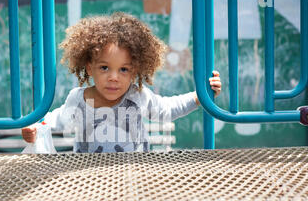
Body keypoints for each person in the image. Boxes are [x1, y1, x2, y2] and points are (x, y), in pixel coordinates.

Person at [22, 12, 222, 153]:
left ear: (134, 71)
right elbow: (56, 119)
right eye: (104, 68)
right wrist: (36, 128)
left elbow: (166, 109)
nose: (114, 77)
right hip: (88, 179)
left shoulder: (137, 96)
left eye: (123, 69)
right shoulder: (79, 99)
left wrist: (198, 97)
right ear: (90, 68)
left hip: (134, 175)